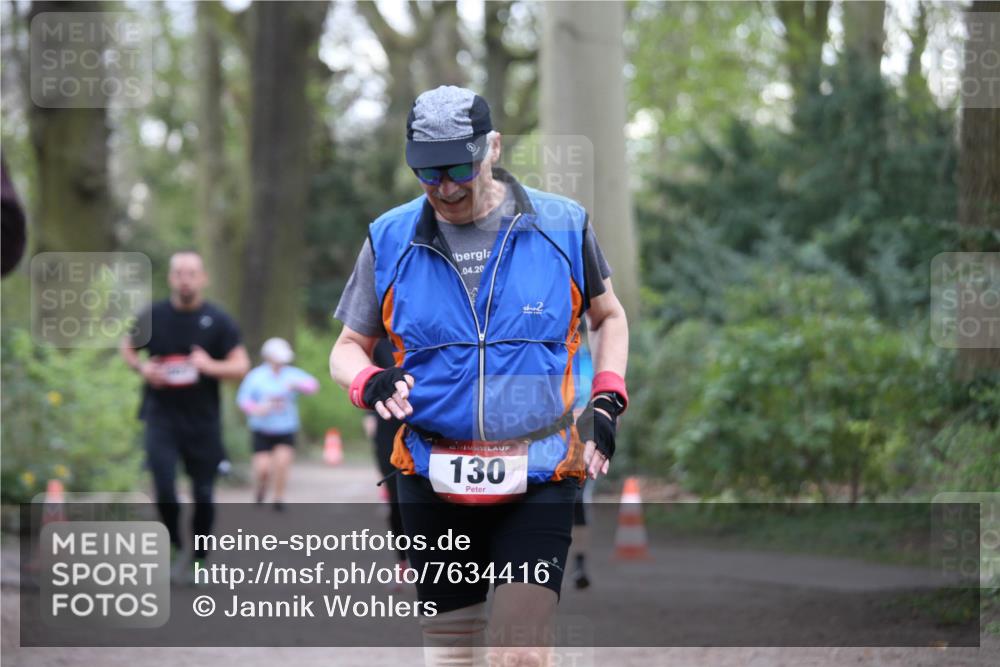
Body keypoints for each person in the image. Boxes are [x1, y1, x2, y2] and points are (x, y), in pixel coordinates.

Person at [329, 86, 629, 667]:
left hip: (539, 472)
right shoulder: (388, 238)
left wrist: (608, 397)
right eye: (427, 172)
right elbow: (347, 347)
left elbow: (608, 315)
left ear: (491, 147)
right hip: (431, 477)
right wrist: (369, 380)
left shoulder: (563, 226)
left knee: (519, 653)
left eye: (458, 168)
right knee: (453, 655)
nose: (443, 187)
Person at [120, 251, 250, 578]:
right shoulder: (154, 316)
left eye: (192, 273)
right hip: (160, 415)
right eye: (179, 273)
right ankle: (174, 542)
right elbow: (128, 347)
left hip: (202, 421)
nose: (185, 279)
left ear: (203, 278)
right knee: (163, 485)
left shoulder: (218, 321)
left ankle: (199, 558)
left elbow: (241, 366)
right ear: (171, 278)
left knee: (203, 493)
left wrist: (210, 366)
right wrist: (143, 367)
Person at [236, 337, 319, 511]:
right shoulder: (256, 376)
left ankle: (278, 497)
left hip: (286, 428)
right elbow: (243, 399)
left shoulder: (291, 374)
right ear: (268, 357)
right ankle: (261, 488)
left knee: (282, 464)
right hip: (261, 428)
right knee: (263, 469)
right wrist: (256, 409)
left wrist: (299, 385)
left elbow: (312, 386)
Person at [363, 337, 409, 584]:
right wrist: (368, 410)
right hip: (388, 423)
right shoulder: (378, 335)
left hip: (433, 422)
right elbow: (360, 368)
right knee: (397, 499)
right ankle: (402, 562)